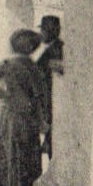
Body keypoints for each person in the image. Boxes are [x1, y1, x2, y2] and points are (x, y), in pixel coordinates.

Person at [0, 28, 50, 186]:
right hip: (27, 113)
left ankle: (3, 183)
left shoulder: (6, 64)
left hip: (9, 112)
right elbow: (38, 95)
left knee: (7, 144)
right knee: (26, 146)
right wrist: (42, 117)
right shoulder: (32, 68)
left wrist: (5, 96)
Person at [33, 13, 63, 161]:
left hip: (50, 100)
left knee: (52, 137)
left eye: (43, 30)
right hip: (49, 98)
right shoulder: (56, 47)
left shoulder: (54, 49)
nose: (41, 34)